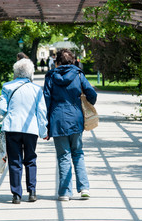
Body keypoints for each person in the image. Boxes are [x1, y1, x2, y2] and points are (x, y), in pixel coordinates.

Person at [43, 49, 97, 201]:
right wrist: (88, 101)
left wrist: (45, 124)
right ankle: (84, 188)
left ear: (57, 62)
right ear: (73, 61)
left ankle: (65, 193)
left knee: (63, 156)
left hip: (57, 120)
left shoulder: (51, 77)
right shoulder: (79, 75)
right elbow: (92, 95)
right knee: (78, 153)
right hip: (75, 119)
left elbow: (46, 100)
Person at [0, 58, 48, 204]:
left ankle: (16, 195)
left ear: (16, 72)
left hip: (12, 128)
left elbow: (2, 109)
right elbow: (41, 112)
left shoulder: (7, 87)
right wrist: (43, 132)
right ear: (30, 73)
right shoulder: (37, 89)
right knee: (31, 159)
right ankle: (32, 191)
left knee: (15, 160)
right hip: (30, 129)